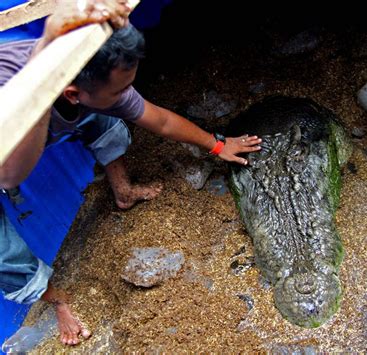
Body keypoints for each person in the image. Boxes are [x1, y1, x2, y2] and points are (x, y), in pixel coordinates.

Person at [0, 0, 261, 346]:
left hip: (54, 104)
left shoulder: (85, 67)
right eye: (120, 89)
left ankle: (123, 191)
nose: (129, 96)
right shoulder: (11, 87)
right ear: (72, 93)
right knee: (6, 255)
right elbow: (9, 175)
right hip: (6, 146)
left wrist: (216, 145)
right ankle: (58, 300)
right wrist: (42, 98)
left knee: (106, 116)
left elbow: (161, 120)